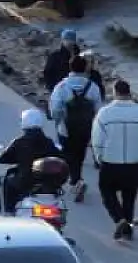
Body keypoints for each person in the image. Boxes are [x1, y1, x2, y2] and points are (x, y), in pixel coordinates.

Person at [50, 54, 105, 201]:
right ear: (85, 68)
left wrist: (58, 120)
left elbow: (55, 110)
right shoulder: (93, 87)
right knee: (79, 155)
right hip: (85, 129)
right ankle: (77, 179)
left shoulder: (61, 87)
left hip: (66, 128)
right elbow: (99, 110)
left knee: (68, 155)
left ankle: (76, 180)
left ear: (70, 68)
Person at [93, 79, 138, 240]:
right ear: (129, 92)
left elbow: (97, 141)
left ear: (115, 92)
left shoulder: (105, 113)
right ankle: (127, 230)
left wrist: (99, 159)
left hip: (110, 162)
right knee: (129, 196)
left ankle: (119, 219)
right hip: (133, 164)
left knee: (107, 193)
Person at [0, 109, 64, 213]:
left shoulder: (19, 142)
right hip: (48, 185)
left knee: (7, 182)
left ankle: (9, 212)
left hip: (25, 183)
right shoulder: (49, 142)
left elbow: (3, 158)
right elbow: (60, 156)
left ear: (24, 122)